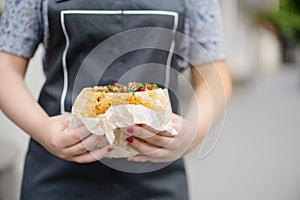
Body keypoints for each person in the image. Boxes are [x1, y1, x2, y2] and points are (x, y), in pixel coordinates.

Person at [0, 0, 232, 199]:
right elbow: (5, 67)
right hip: (56, 174)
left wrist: (192, 133)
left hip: (156, 175)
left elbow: (213, 74)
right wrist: (42, 129)